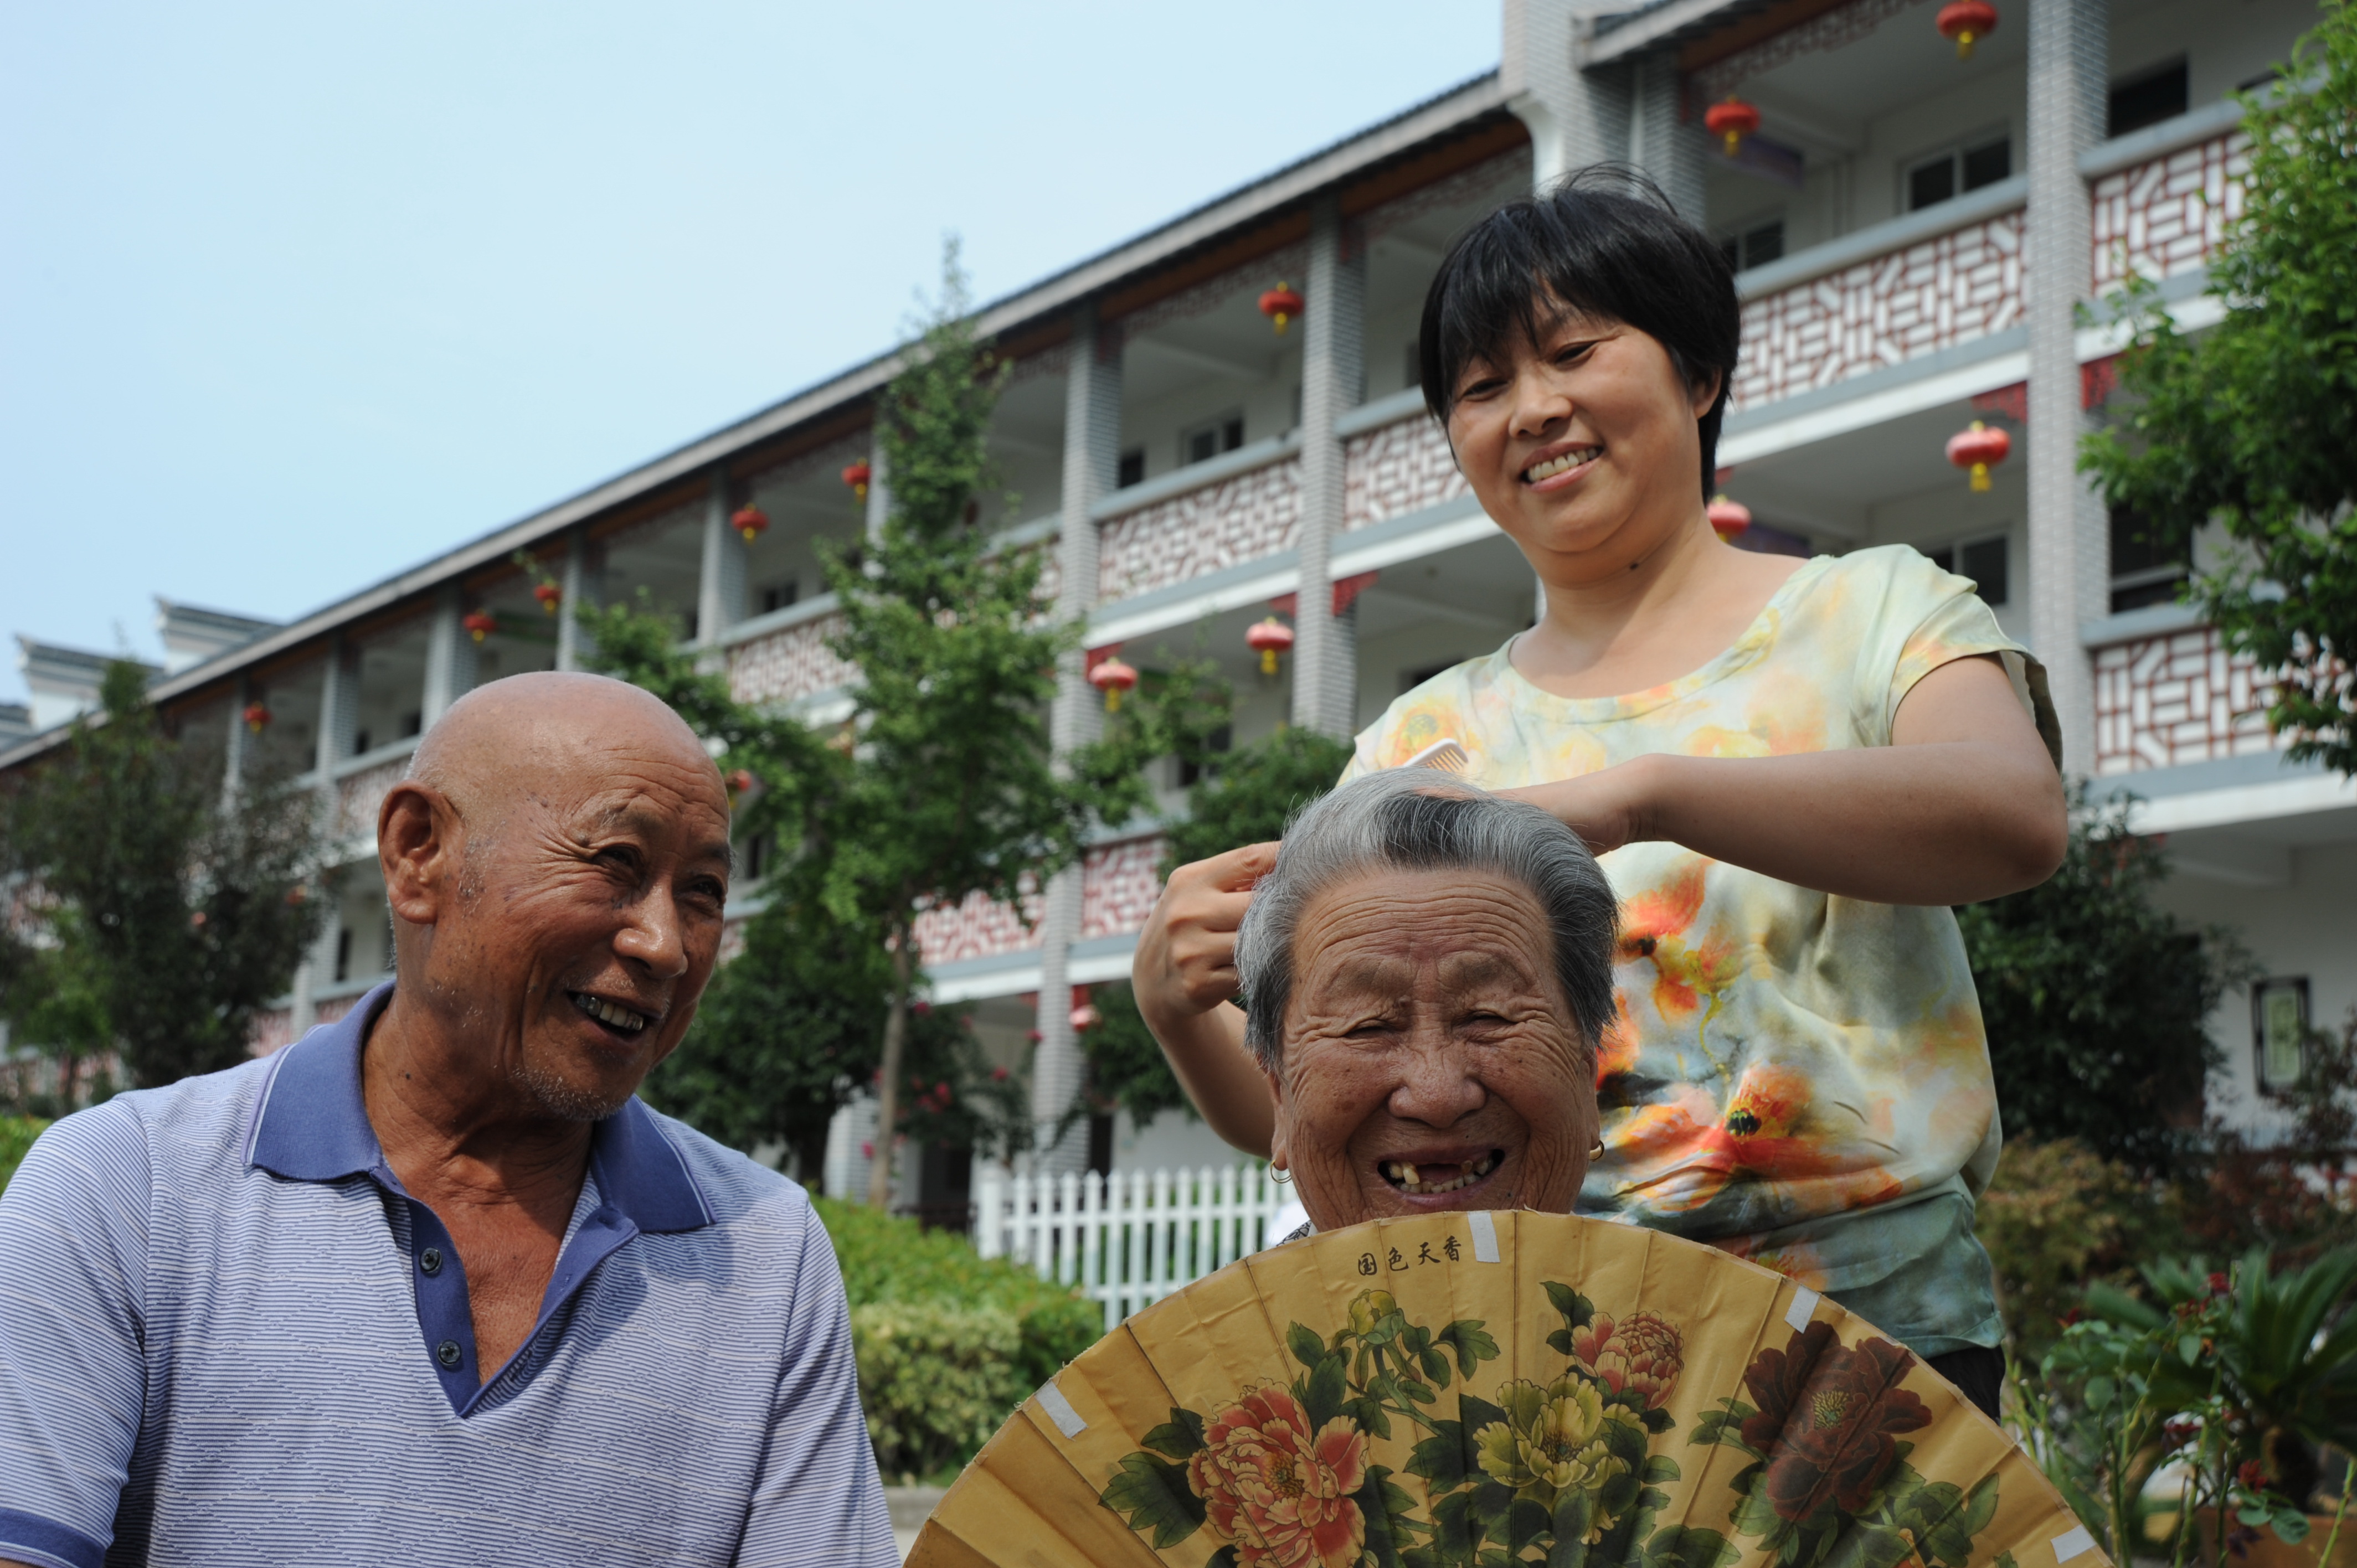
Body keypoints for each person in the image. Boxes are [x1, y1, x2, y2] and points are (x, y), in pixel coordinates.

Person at [1134, 171, 2067, 1421]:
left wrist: (1646, 796)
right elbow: (1329, 1133)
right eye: (1481, 387)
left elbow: (2012, 813)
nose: (1533, 409)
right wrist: (1174, 1006)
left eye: (1573, 352)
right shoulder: (1419, 740)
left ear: (1697, 374)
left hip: (1858, 1341)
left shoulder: (1873, 609)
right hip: (1517, 1360)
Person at [0, 672, 897, 1567]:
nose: (665, 944)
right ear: (418, 854)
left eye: (702, 891)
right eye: (616, 862)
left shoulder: (766, 1256)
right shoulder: (127, 1191)